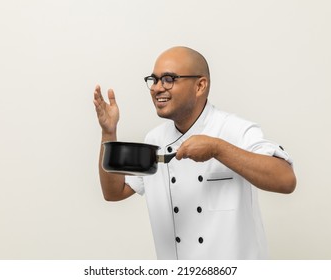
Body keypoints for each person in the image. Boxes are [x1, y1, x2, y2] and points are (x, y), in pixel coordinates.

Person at [93, 46, 296, 260]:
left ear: (200, 86)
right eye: (154, 80)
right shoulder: (154, 140)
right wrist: (108, 132)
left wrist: (218, 148)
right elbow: (114, 192)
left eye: (169, 79)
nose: (156, 88)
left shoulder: (235, 130)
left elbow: (285, 180)